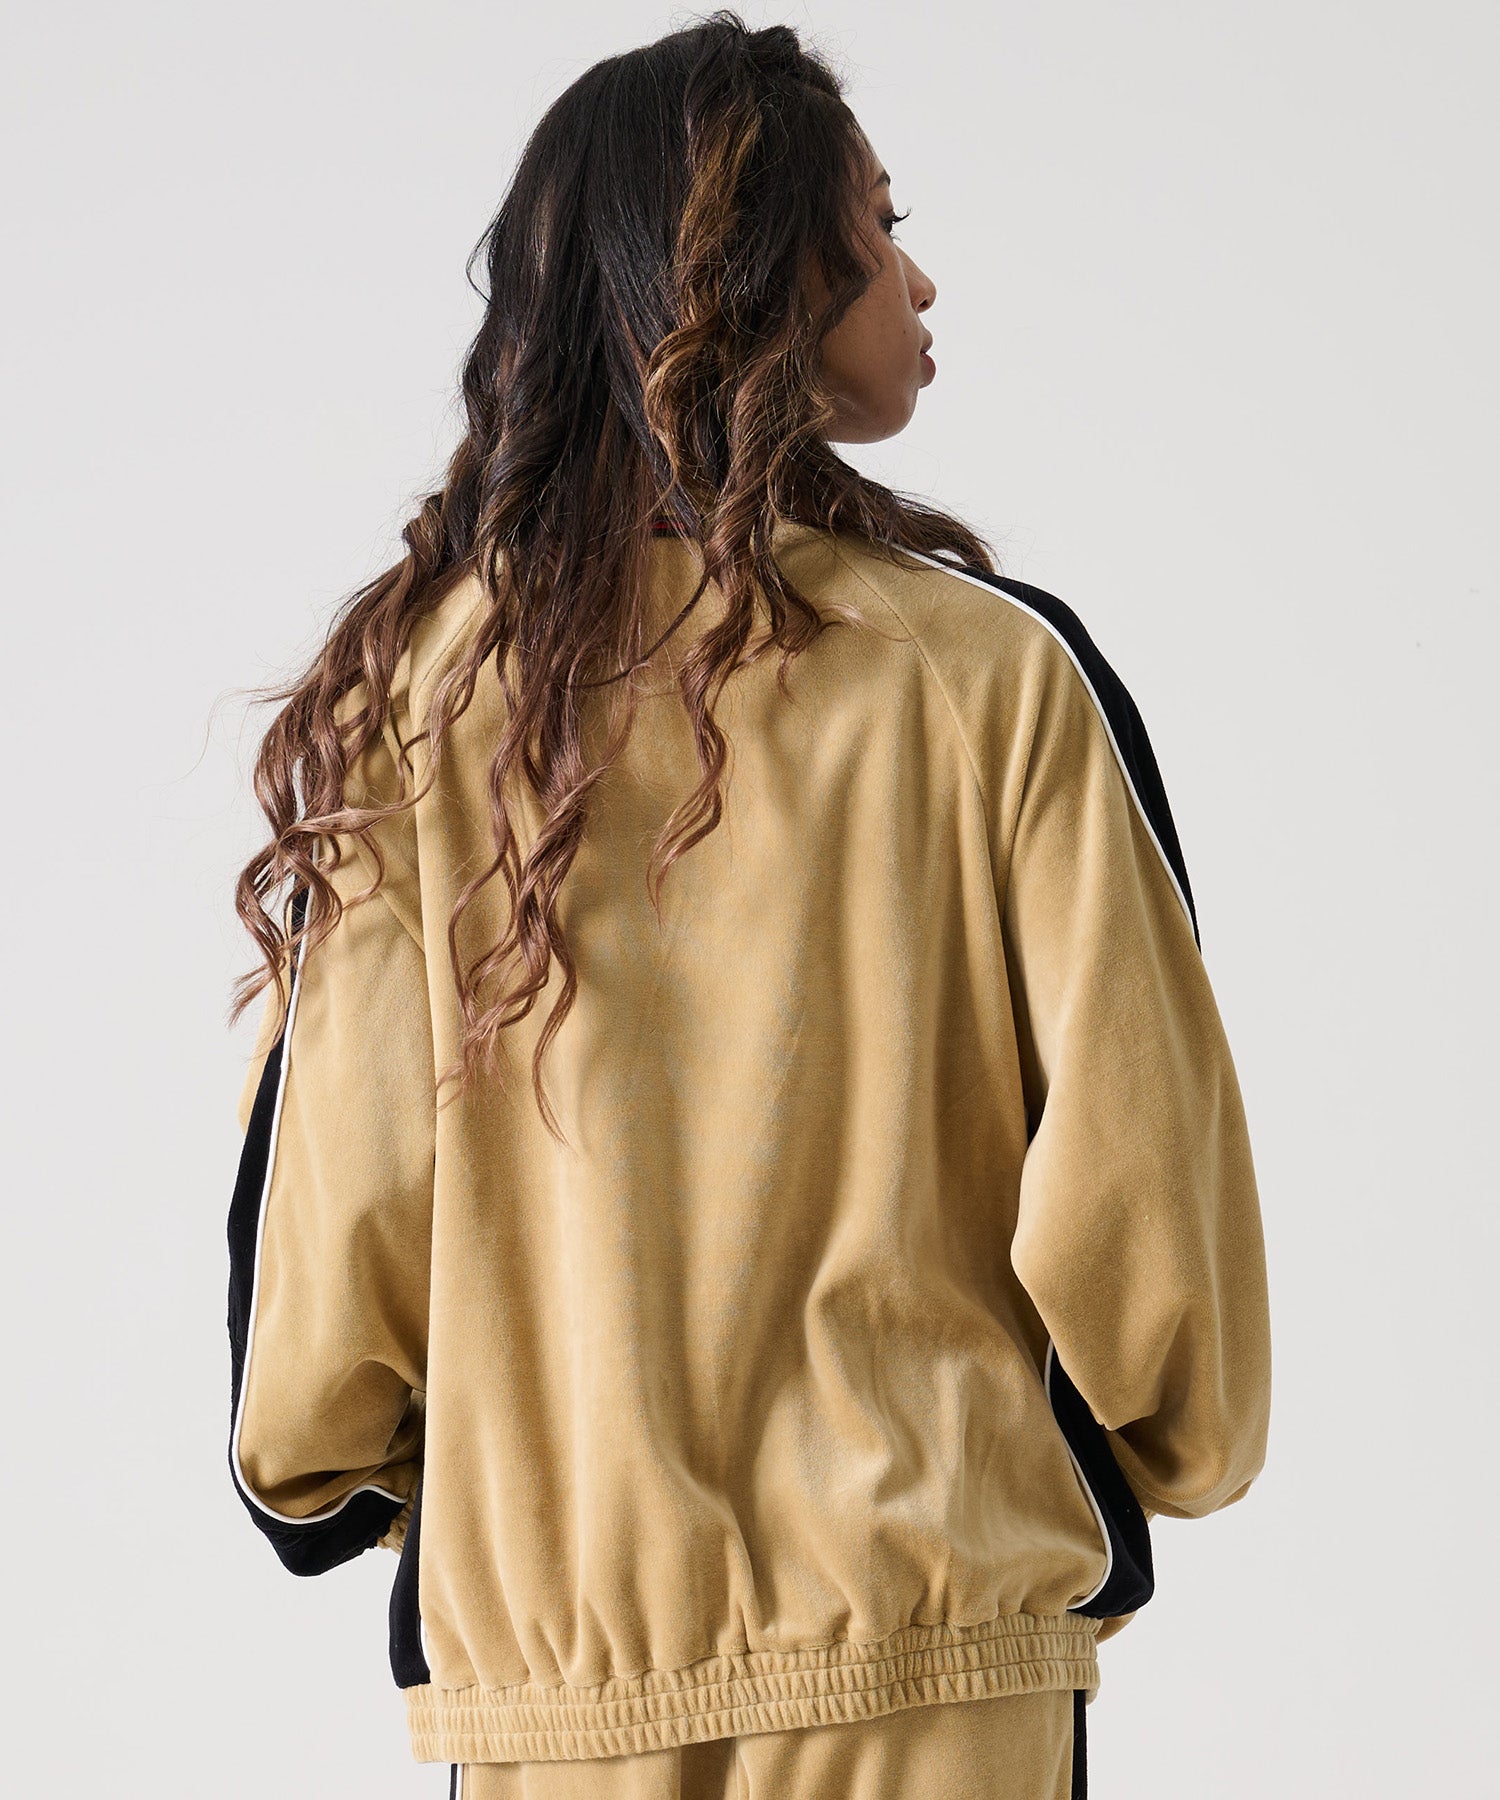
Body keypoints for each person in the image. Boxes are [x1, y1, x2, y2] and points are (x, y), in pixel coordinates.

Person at [223, 13, 1272, 1798]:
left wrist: (511, 1504)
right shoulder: (989, 678)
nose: (920, 277)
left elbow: (323, 1301)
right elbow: (1149, 1214)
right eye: (881, 224)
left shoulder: (429, 706)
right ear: (764, 269)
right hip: (936, 1671)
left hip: (562, 1705)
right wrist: (1129, 1455)